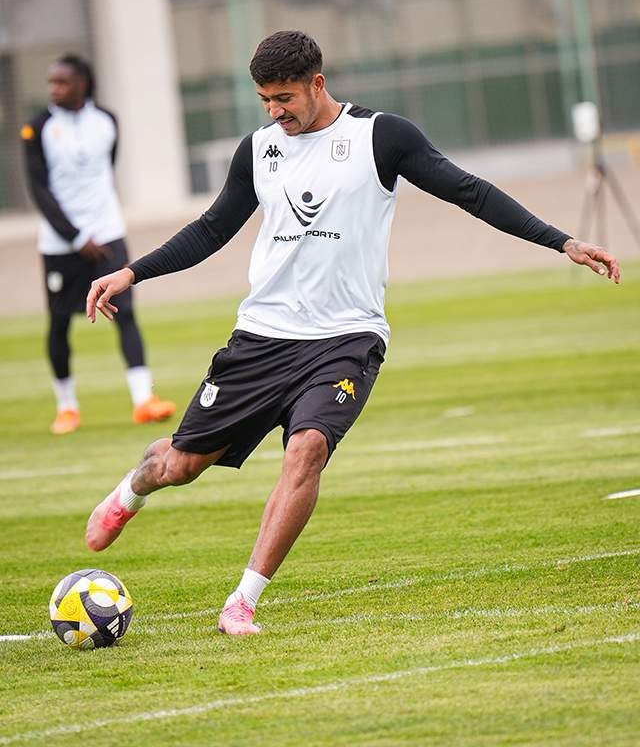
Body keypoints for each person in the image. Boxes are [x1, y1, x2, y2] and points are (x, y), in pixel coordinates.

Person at [83, 31, 620, 635]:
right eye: (265, 100)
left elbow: (469, 192)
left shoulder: (381, 137)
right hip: (262, 336)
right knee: (181, 465)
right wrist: (132, 272)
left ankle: (242, 601)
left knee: (307, 448)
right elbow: (211, 230)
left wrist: (562, 241)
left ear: (317, 83)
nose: (274, 112)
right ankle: (130, 493)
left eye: (284, 98)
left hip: (347, 338)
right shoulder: (259, 150)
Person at [21, 55, 176, 434]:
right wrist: (75, 236)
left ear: (83, 84)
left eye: (62, 82)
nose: (54, 89)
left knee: (126, 313)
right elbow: (38, 190)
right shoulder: (37, 128)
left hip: (108, 236)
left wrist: (96, 231)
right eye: (51, 82)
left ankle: (143, 400)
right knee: (60, 322)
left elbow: (107, 169)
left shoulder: (107, 121)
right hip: (61, 244)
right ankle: (66, 407)